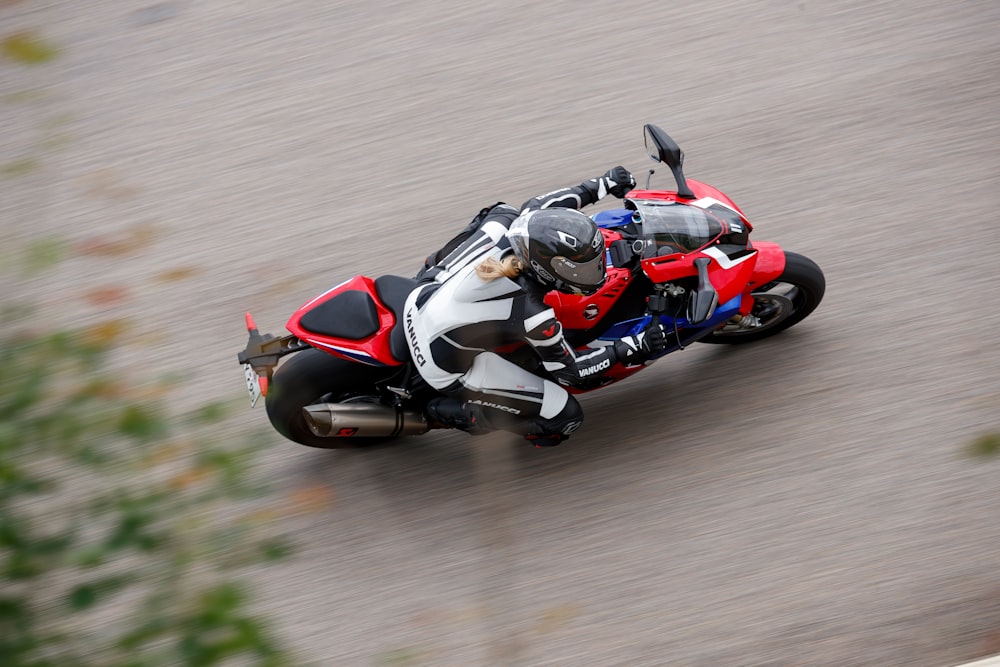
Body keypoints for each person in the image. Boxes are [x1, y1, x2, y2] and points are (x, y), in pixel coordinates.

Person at [404, 166, 667, 447]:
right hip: (438, 359)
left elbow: (557, 201)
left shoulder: (514, 219)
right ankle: (436, 411)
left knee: (479, 228)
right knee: (563, 417)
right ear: (547, 270)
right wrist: (630, 347)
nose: (596, 272)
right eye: (584, 269)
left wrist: (604, 183)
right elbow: (573, 372)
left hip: (422, 293)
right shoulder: (532, 314)